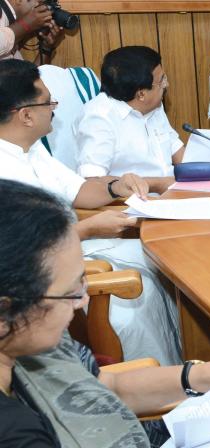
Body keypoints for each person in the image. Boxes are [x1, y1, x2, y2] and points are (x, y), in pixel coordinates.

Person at [0, 178, 210, 447]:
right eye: (71, 290)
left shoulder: (29, 337)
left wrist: (206, 374)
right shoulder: (16, 433)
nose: (82, 299)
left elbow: (107, 388)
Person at [0, 58, 182, 366]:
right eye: (48, 102)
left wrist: (117, 186)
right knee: (138, 300)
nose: (54, 108)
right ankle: (146, 388)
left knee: (170, 260)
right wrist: (88, 229)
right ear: (27, 115)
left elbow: (80, 190)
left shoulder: (30, 151)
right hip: (47, 279)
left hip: (78, 248)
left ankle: (184, 361)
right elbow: (19, 255)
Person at [74, 46, 185, 194]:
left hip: (173, 197)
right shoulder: (99, 118)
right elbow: (92, 180)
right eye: (162, 81)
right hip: (130, 206)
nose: (167, 85)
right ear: (141, 94)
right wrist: (156, 184)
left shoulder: (153, 106)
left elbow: (179, 154)